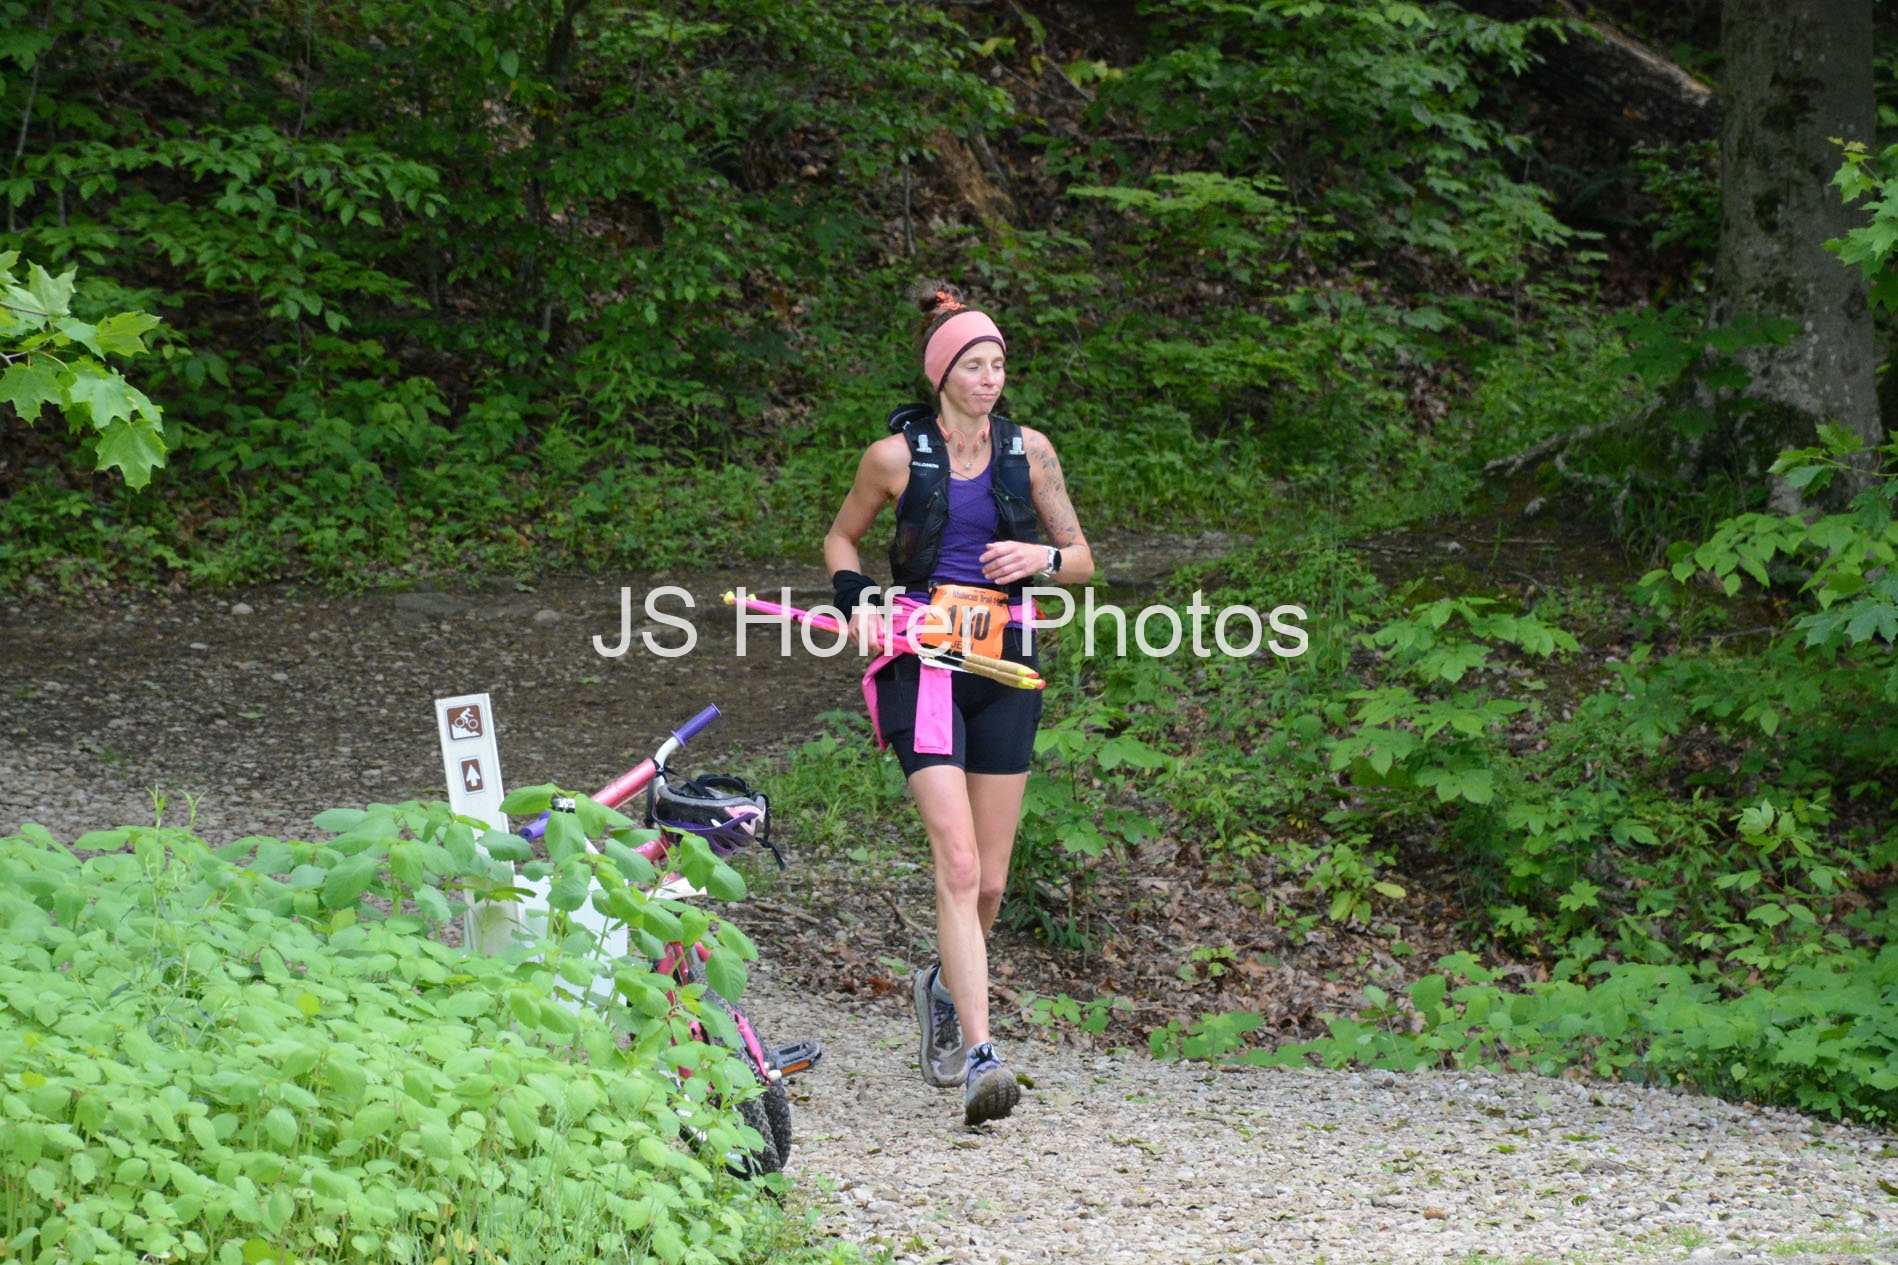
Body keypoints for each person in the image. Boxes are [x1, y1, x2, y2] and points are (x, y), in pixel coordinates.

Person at [822, 280, 1094, 1126]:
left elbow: (1082, 558)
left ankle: (941, 986)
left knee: (993, 882)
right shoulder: (893, 458)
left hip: (1006, 661)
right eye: (974, 365)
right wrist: (858, 600)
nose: (990, 379)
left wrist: (1041, 560)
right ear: (941, 374)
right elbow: (842, 537)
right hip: (922, 662)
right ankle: (982, 1056)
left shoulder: (1031, 451)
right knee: (961, 863)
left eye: (998, 364)